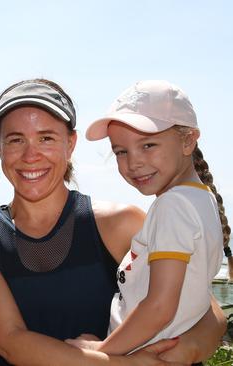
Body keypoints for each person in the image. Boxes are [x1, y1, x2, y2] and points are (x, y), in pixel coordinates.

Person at [0, 78, 227, 365]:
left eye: (46, 138)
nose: (31, 155)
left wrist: (187, 350)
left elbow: (207, 312)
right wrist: (129, 363)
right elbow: (11, 342)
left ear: (70, 144)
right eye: (16, 139)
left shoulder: (119, 224)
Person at [65, 80, 230, 355]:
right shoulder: (202, 200)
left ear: (188, 140)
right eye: (121, 151)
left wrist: (102, 354)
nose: (134, 162)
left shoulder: (173, 206)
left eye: (148, 145)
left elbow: (159, 307)